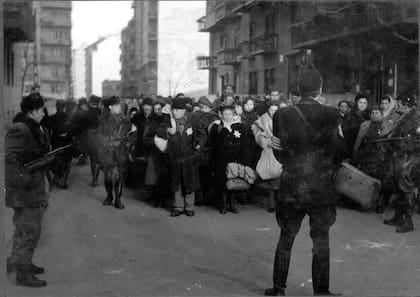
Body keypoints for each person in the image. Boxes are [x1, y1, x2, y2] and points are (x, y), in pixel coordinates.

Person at [267, 65, 340, 296]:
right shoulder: (332, 114)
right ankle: (321, 291)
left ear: (298, 89)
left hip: (292, 186)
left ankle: (279, 290)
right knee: (321, 240)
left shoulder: (282, 114)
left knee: (286, 237)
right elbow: (340, 151)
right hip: (321, 186)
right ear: (320, 89)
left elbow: (278, 153)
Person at [6, 93, 51, 287]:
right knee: (27, 231)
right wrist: (24, 181)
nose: (44, 113)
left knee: (29, 230)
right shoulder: (20, 128)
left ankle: (19, 262)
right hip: (25, 192)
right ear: (31, 111)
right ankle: (22, 275)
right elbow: (10, 160)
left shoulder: (36, 127)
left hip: (34, 189)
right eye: (41, 109)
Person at [383, 94, 420, 232]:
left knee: (407, 189)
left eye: (399, 105)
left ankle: (408, 221)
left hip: (411, 159)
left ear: (406, 105)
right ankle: (398, 217)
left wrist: (409, 159)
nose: (397, 107)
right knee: (399, 188)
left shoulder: (416, 119)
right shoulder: (405, 117)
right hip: (401, 157)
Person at [209, 104, 253, 214]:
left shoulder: (239, 126)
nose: (227, 117)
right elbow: (212, 143)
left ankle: (232, 204)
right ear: (221, 115)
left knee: (234, 180)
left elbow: (244, 143)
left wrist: (243, 158)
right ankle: (223, 204)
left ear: (233, 114)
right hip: (221, 159)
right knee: (222, 181)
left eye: (230, 114)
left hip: (235, 158)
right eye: (225, 114)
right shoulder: (217, 126)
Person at [166, 97, 206, 217]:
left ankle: (189, 206)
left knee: (190, 181)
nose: (175, 112)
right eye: (173, 109)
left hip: (190, 155)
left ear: (184, 110)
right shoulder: (169, 119)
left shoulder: (193, 118)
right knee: (176, 182)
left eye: (178, 110)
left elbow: (202, 134)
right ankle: (178, 206)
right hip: (175, 155)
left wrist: (199, 145)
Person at [97, 96, 132, 209]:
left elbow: (130, 132)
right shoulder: (102, 119)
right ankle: (109, 196)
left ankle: (118, 199)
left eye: (119, 105)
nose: (119, 107)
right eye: (117, 105)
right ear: (110, 107)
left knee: (118, 176)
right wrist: (109, 142)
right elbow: (99, 135)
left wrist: (126, 142)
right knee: (107, 176)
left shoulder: (125, 119)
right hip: (107, 152)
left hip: (120, 151)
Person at [143, 99, 172, 207]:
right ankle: (157, 199)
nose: (157, 111)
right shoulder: (150, 121)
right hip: (154, 151)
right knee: (154, 177)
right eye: (155, 109)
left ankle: (165, 199)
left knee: (165, 175)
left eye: (159, 109)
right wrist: (154, 141)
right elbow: (145, 137)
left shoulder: (169, 119)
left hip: (167, 151)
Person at [252, 101, 280, 212]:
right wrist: (268, 140)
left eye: (276, 110)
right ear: (268, 110)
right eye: (272, 110)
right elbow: (259, 137)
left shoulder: (283, 119)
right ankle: (272, 203)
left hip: (280, 151)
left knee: (278, 177)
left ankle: (277, 203)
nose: (274, 112)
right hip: (269, 151)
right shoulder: (262, 121)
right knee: (271, 175)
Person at [195, 96, 220, 206]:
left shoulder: (207, 117)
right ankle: (207, 197)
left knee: (201, 174)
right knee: (207, 174)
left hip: (203, 148)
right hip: (209, 149)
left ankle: (201, 197)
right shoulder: (215, 117)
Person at [45, 100, 74, 189]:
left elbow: (49, 131)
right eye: (60, 107)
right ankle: (63, 180)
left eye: (60, 107)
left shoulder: (52, 118)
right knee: (66, 162)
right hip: (65, 142)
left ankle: (61, 179)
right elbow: (72, 130)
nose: (60, 108)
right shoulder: (68, 117)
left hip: (58, 142)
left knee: (60, 162)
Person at [342, 94, 370, 158]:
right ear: (356, 103)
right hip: (350, 143)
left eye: (364, 103)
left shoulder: (369, 116)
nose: (362, 105)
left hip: (364, 145)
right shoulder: (349, 115)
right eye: (360, 102)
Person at [85, 95, 103, 186]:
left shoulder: (87, 111)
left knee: (93, 159)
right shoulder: (99, 111)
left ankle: (93, 179)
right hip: (98, 135)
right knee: (99, 159)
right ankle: (96, 178)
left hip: (90, 136)